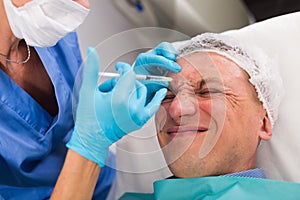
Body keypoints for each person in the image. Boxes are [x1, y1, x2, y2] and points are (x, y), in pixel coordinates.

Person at [0, 0, 180, 199]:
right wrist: (90, 144)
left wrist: (113, 99)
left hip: (104, 181)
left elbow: (75, 110)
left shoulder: (46, 27)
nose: (83, 6)